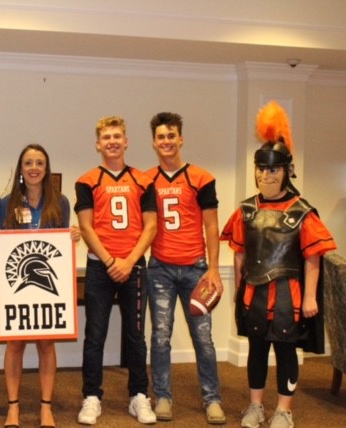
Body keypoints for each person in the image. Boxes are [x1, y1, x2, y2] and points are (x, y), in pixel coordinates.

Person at [221, 101, 336, 428]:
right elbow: (240, 250)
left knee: (286, 353)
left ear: (286, 171)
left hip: (289, 295)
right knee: (256, 351)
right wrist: (238, 287)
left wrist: (311, 297)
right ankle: (255, 406)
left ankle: (284, 410)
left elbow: (314, 255)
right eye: (260, 168)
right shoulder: (245, 209)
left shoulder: (302, 211)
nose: (264, 174)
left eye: (272, 169)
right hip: (254, 294)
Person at [0, 144, 80, 428]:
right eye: (28, 163)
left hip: (47, 285)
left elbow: (62, 242)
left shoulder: (60, 202)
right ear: (21, 168)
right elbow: (2, 243)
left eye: (39, 163)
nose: (33, 168)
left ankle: (46, 407)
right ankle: (13, 407)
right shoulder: (6, 203)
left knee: (46, 343)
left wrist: (73, 235)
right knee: (14, 344)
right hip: (17, 285)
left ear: (46, 168)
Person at [74, 116, 158, 425]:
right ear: (98, 144)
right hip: (99, 268)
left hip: (133, 267)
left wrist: (129, 261)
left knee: (136, 336)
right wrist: (110, 262)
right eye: (106, 137)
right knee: (95, 334)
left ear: (126, 142)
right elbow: (85, 226)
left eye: (117, 136)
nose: (112, 141)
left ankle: (139, 396)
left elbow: (151, 227)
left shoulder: (143, 180)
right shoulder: (86, 181)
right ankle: (92, 396)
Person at [144, 112, 226, 424]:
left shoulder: (201, 177)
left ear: (181, 139)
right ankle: (162, 396)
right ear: (154, 142)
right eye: (161, 136)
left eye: (171, 135)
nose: (166, 141)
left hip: (196, 268)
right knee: (161, 335)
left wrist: (214, 269)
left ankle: (212, 398)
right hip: (160, 267)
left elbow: (211, 225)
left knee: (203, 338)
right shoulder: (146, 180)